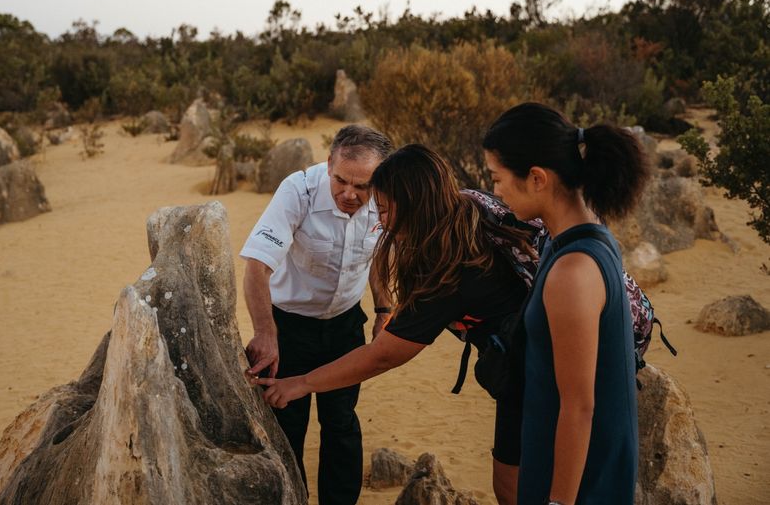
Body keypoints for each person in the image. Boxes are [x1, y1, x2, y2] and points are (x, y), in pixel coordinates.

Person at [253, 143, 538, 505]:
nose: (380, 221)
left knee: (515, 489)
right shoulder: (467, 209)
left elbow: (382, 357)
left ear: (413, 205)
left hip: (537, 375)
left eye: (384, 209)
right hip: (528, 363)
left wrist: (302, 384)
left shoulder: (450, 274)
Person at [482, 102, 648, 505]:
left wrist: (559, 502)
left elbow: (579, 406)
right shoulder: (580, 241)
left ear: (537, 178)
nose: (495, 191)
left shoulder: (573, 270)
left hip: (580, 484)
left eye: (497, 178)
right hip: (567, 468)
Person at [240, 124, 395, 505]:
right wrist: (265, 332)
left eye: (362, 187)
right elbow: (256, 266)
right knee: (287, 424)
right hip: (289, 326)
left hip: (345, 325)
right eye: (341, 180)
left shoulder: (386, 196)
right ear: (329, 164)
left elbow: (379, 253)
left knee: (341, 423)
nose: (350, 194)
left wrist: (383, 307)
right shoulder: (298, 190)